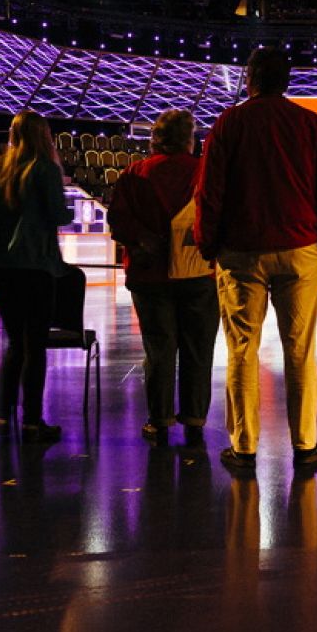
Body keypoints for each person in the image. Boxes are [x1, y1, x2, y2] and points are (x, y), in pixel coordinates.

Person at [195, 47, 317, 473]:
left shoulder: (230, 122)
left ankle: (243, 448)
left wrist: (208, 244)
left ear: (249, 79)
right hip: (299, 249)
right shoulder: (309, 123)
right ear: (286, 81)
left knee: (243, 348)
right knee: (300, 350)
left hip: (242, 253)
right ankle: (305, 444)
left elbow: (211, 191)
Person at [0, 110, 74, 443]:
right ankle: (32, 421)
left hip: (1, 268)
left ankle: (1, 415)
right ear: (43, 135)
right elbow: (58, 214)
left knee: (15, 343)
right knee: (34, 345)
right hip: (36, 267)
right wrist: (64, 210)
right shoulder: (45, 169)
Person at [108, 110, 218, 447]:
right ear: (190, 138)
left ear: (155, 137)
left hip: (149, 276)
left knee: (159, 348)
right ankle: (195, 419)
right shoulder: (204, 173)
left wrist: (143, 240)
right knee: (198, 349)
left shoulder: (134, 173)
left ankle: (159, 420)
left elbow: (118, 223)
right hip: (197, 274)